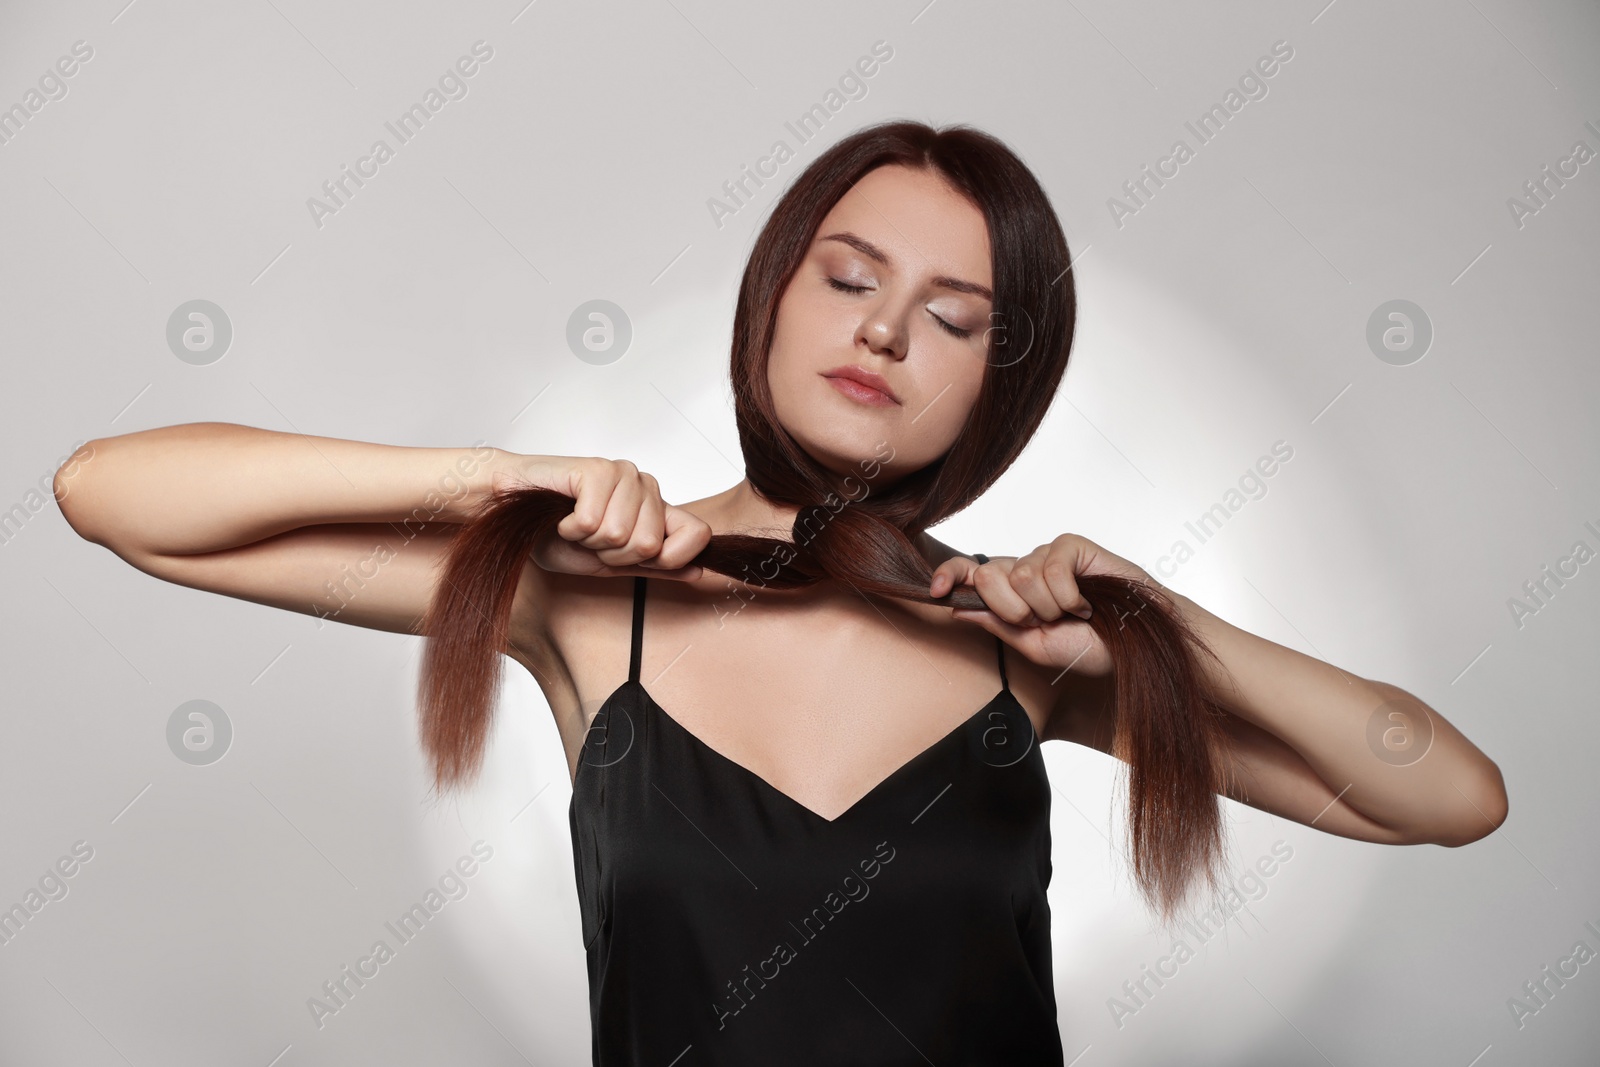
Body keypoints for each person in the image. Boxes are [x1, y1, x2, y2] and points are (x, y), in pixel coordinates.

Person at [56, 120, 1507, 1066]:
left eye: (955, 318)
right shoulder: (581, 594)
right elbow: (116, 496)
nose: (884, 327)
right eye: (848, 277)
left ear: (1000, 386)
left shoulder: (1022, 647)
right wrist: (501, 480)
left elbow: (1449, 794)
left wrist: (1161, 620)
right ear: (772, 298)